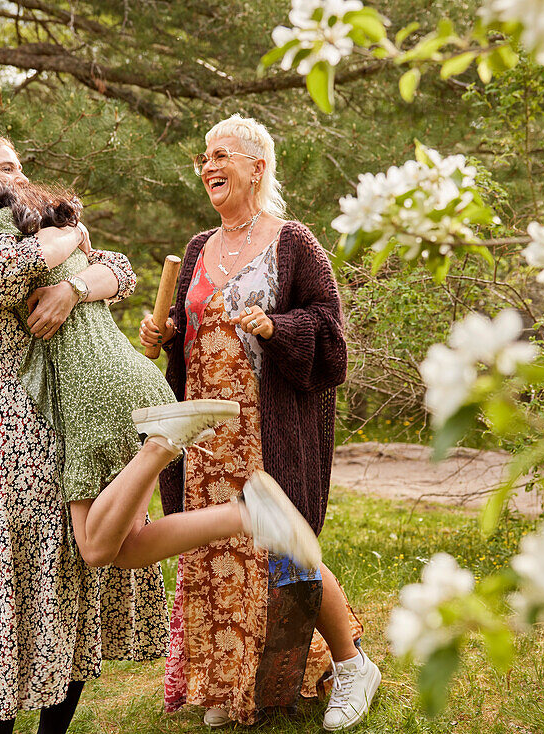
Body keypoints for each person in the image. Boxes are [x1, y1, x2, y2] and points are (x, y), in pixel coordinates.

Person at [0, 132, 316, 734]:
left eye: (18, 166)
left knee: (65, 582)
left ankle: (179, 465)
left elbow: (118, 271)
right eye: (3, 171)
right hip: (26, 431)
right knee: (60, 578)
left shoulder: (20, 241)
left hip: (71, 413)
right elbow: (2, 278)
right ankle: (241, 511)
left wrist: (74, 272)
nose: (17, 178)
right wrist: (66, 244)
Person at [0, 160, 320, 571]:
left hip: (90, 390)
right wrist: (75, 238)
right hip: (127, 376)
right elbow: (114, 268)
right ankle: (246, 514)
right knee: (126, 547)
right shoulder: (46, 225)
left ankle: (165, 444)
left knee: (93, 548)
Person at [140, 114, 380, 730]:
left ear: (258, 165)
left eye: (221, 155)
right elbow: (189, 340)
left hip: (265, 427)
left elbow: (331, 336)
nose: (208, 166)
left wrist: (279, 329)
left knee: (284, 546)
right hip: (206, 432)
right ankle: (233, 683)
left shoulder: (293, 242)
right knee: (216, 549)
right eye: (203, 157)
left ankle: (353, 665)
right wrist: (165, 333)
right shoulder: (198, 248)